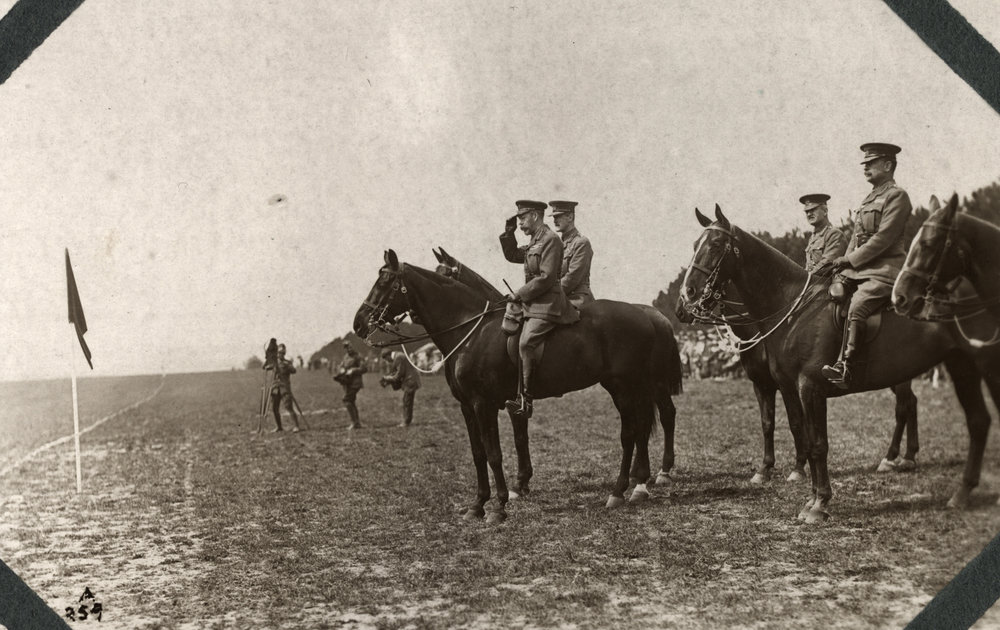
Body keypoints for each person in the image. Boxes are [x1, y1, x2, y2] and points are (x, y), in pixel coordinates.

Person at [822, 143, 912, 388]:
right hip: (859, 269)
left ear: (887, 165)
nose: (865, 168)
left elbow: (884, 238)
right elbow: (855, 237)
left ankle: (846, 366)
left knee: (858, 305)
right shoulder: (869, 199)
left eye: (871, 163)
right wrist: (841, 266)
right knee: (828, 293)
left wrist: (850, 260)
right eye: (865, 163)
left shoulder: (897, 196)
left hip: (885, 271)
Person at [499, 199, 579, 419]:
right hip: (532, 303)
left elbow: (546, 278)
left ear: (534, 216)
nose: (521, 223)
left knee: (526, 342)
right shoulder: (536, 241)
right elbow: (513, 255)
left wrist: (519, 294)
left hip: (548, 304)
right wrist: (508, 232)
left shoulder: (551, 240)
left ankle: (526, 400)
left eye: (522, 219)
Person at [549, 200, 595, 308]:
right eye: (554, 217)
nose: (555, 221)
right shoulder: (558, 244)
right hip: (561, 296)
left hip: (577, 299)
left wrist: (549, 295)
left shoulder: (581, 243)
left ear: (570, 217)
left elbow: (572, 278)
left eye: (558, 217)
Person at [799, 193, 847, 274]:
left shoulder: (834, 234)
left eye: (813, 210)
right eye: (807, 211)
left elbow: (826, 264)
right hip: (813, 281)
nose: (809, 214)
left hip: (828, 282)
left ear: (825, 211)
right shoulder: (813, 237)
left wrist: (806, 277)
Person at [379, 349, 422, 427]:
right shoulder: (399, 355)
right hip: (410, 380)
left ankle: (406, 422)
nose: (387, 361)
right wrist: (388, 381)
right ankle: (407, 420)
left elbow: (399, 375)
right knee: (407, 400)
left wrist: (387, 378)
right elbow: (398, 373)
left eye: (386, 359)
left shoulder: (398, 357)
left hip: (410, 381)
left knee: (407, 401)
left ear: (388, 356)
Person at [265, 343, 301, 432]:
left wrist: (287, 366)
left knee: (288, 407)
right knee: (274, 408)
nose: (280, 355)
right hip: (275, 388)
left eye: (282, 353)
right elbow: (265, 367)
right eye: (278, 353)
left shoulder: (286, 363)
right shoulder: (273, 363)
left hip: (284, 388)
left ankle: (296, 426)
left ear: (284, 353)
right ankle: (279, 427)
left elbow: (294, 370)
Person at [334, 340, 366, 429]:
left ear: (354, 346)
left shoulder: (358, 356)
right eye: (347, 348)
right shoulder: (346, 357)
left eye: (350, 347)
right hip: (347, 382)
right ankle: (357, 423)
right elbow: (341, 365)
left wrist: (353, 370)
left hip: (355, 383)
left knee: (346, 400)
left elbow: (364, 368)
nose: (349, 349)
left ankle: (354, 422)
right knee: (351, 401)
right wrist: (341, 370)